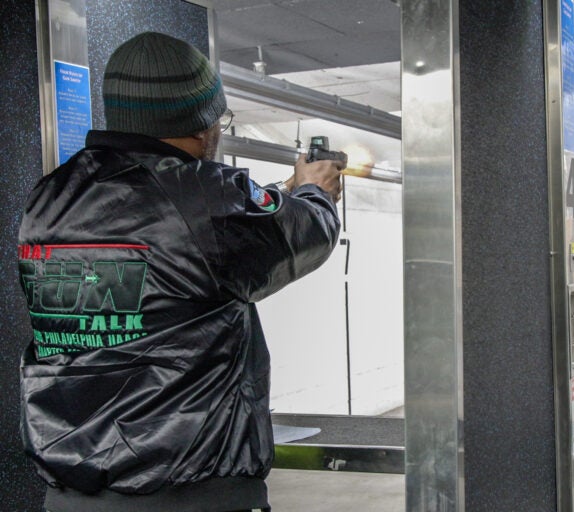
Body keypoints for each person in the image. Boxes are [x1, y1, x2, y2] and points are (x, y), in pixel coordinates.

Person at [17, 31, 344, 512]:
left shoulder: (50, 198)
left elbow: (180, 249)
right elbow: (305, 234)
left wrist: (282, 190)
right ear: (201, 125)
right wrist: (314, 191)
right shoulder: (209, 198)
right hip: (190, 490)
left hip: (71, 495)